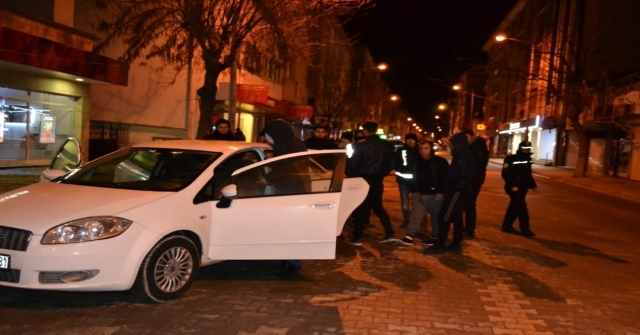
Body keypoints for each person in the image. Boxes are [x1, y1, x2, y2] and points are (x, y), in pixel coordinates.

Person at [259, 119, 308, 276]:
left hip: (289, 191)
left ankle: (291, 264)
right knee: (293, 227)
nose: (267, 139)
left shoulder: (283, 147)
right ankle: (291, 261)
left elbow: (284, 168)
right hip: (300, 190)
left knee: (288, 228)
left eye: (268, 136)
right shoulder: (296, 143)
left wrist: (267, 179)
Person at [424, 132, 475, 254]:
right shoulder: (461, 154)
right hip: (457, 189)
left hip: (457, 190)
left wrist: (451, 183)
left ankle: (440, 244)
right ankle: (456, 244)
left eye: (452, 144)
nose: (450, 146)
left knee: (444, 216)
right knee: (456, 217)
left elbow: (463, 175)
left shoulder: (463, 156)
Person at [347, 121, 396, 246]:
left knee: (361, 208)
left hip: (363, 179)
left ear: (365, 131)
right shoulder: (387, 146)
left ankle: (357, 237)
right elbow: (392, 163)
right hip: (377, 180)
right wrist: (382, 174)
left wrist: (354, 175)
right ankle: (390, 232)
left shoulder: (360, 146)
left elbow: (353, 164)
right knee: (378, 207)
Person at [397, 140, 449, 246]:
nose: (423, 151)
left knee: (436, 217)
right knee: (415, 216)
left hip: (433, 195)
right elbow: (414, 176)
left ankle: (435, 237)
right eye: (421, 149)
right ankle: (409, 236)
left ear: (431, 149)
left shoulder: (440, 162)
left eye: (426, 148)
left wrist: (441, 192)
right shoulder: (417, 161)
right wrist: (412, 190)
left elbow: (445, 178)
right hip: (419, 193)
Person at [501, 140, 537, 237]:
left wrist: (532, 184)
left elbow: (527, 173)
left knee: (514, 207)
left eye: (528, 149)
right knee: (522, 208)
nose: (527, 150)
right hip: (513, 187)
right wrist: (513, 185)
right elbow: (506, 173)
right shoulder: (511, 158)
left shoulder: (528, 159)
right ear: (520, 148)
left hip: (523, 187)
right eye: (525, 149)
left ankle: (506, 226)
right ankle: (525, 230)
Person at [462, 129, 489, 238]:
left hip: (474, 181)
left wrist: (470, 178)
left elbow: (479, 165)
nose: (465, 140)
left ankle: (469, 230)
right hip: (471, 180)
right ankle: (468, 228)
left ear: (472, 136)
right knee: (468, 204)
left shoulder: (478, 146)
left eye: (467, 137)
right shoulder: (473, 146)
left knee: (469, 204)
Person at [394, 133, 420, 227]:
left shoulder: (419, 150)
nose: (410, 141)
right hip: (403, 180)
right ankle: (406, 220)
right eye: (408, 139)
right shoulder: (401, 150)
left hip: (417, 181)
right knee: (405, 201)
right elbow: (395, 161)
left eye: (412, 139)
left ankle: (417, 221)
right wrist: (399, 169)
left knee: (417, 202)